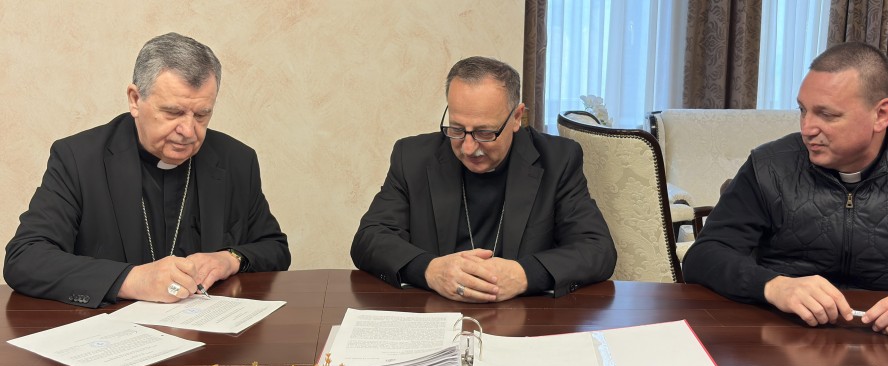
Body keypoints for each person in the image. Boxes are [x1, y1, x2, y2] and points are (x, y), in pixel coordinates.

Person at [681, 42, 888, 339]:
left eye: (827, 115)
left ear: (881, 114)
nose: (807, 128)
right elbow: (705, 256)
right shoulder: (769, 166)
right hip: (780, 339)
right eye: (803, 110)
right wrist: (772, 285)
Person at [4, 32, 290, 307]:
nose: (188, 130)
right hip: (113, 332)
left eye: (202, 115)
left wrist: (230, 259)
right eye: (173, 112)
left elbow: (274, 247)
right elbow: (25, 258)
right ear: (135, 99)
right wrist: (133, 280)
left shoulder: (236, 160)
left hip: (205, 332)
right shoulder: (78, 159)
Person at [351, 56, 615, 302]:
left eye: (485, 133)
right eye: (457, 129)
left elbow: (597, 249)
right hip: (437, 313)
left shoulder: (558, 160)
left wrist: (524, 274)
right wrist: (430, 270)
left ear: (517, 117)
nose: (468, 148)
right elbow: (370, 238)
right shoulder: (412, 157)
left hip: (523, 317)